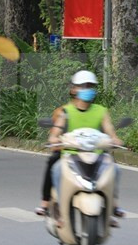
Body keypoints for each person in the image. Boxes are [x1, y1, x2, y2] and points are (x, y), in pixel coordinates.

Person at [48, 70, 124, 223]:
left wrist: (115, 139)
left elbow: (110, 130)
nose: (87, 89)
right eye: (83, 86)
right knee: (56, 170)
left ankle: (112, 205)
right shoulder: (66, 112)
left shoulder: (101, 111)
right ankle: (60, 208)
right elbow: (56, 132)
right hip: (71, 155)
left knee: (115, 169)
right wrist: (54, 139)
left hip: (97, 155)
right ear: (74, 89)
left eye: (90, 86)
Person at [35, 104, 65, 216]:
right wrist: (55, 141)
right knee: (53, 161)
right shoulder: (63, 112)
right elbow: (54, 134)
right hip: (68, 151)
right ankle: (45, 203)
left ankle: (111, 206)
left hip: (91, 153)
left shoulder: (98, 111)